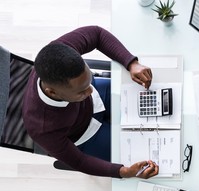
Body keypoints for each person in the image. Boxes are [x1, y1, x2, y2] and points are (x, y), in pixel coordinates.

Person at [22, 26, 158, 179]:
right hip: (87, 134)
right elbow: (79, 161)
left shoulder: (59, 50)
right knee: (148, 153)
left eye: (88, 82)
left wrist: (131, 63)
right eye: (82, 91)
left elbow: (97, 34)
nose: (89, 92)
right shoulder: (42, 129)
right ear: (52, 92)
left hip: (96, 100)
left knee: (156, 106)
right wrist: (124, 172)